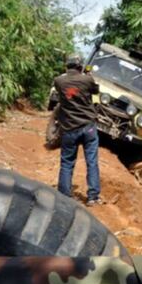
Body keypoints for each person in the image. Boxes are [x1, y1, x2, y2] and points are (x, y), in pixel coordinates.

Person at [52, 54, 103, 206]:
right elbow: (95, 92)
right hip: (88, 127)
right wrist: (89, 76)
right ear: (80, 66)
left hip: (69, 129)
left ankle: (64, 197)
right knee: (92, 162)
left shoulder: (58, 81)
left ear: (67, 66)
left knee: (67, 162)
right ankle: (93, 197)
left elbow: (62, 93)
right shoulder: (87, 80)